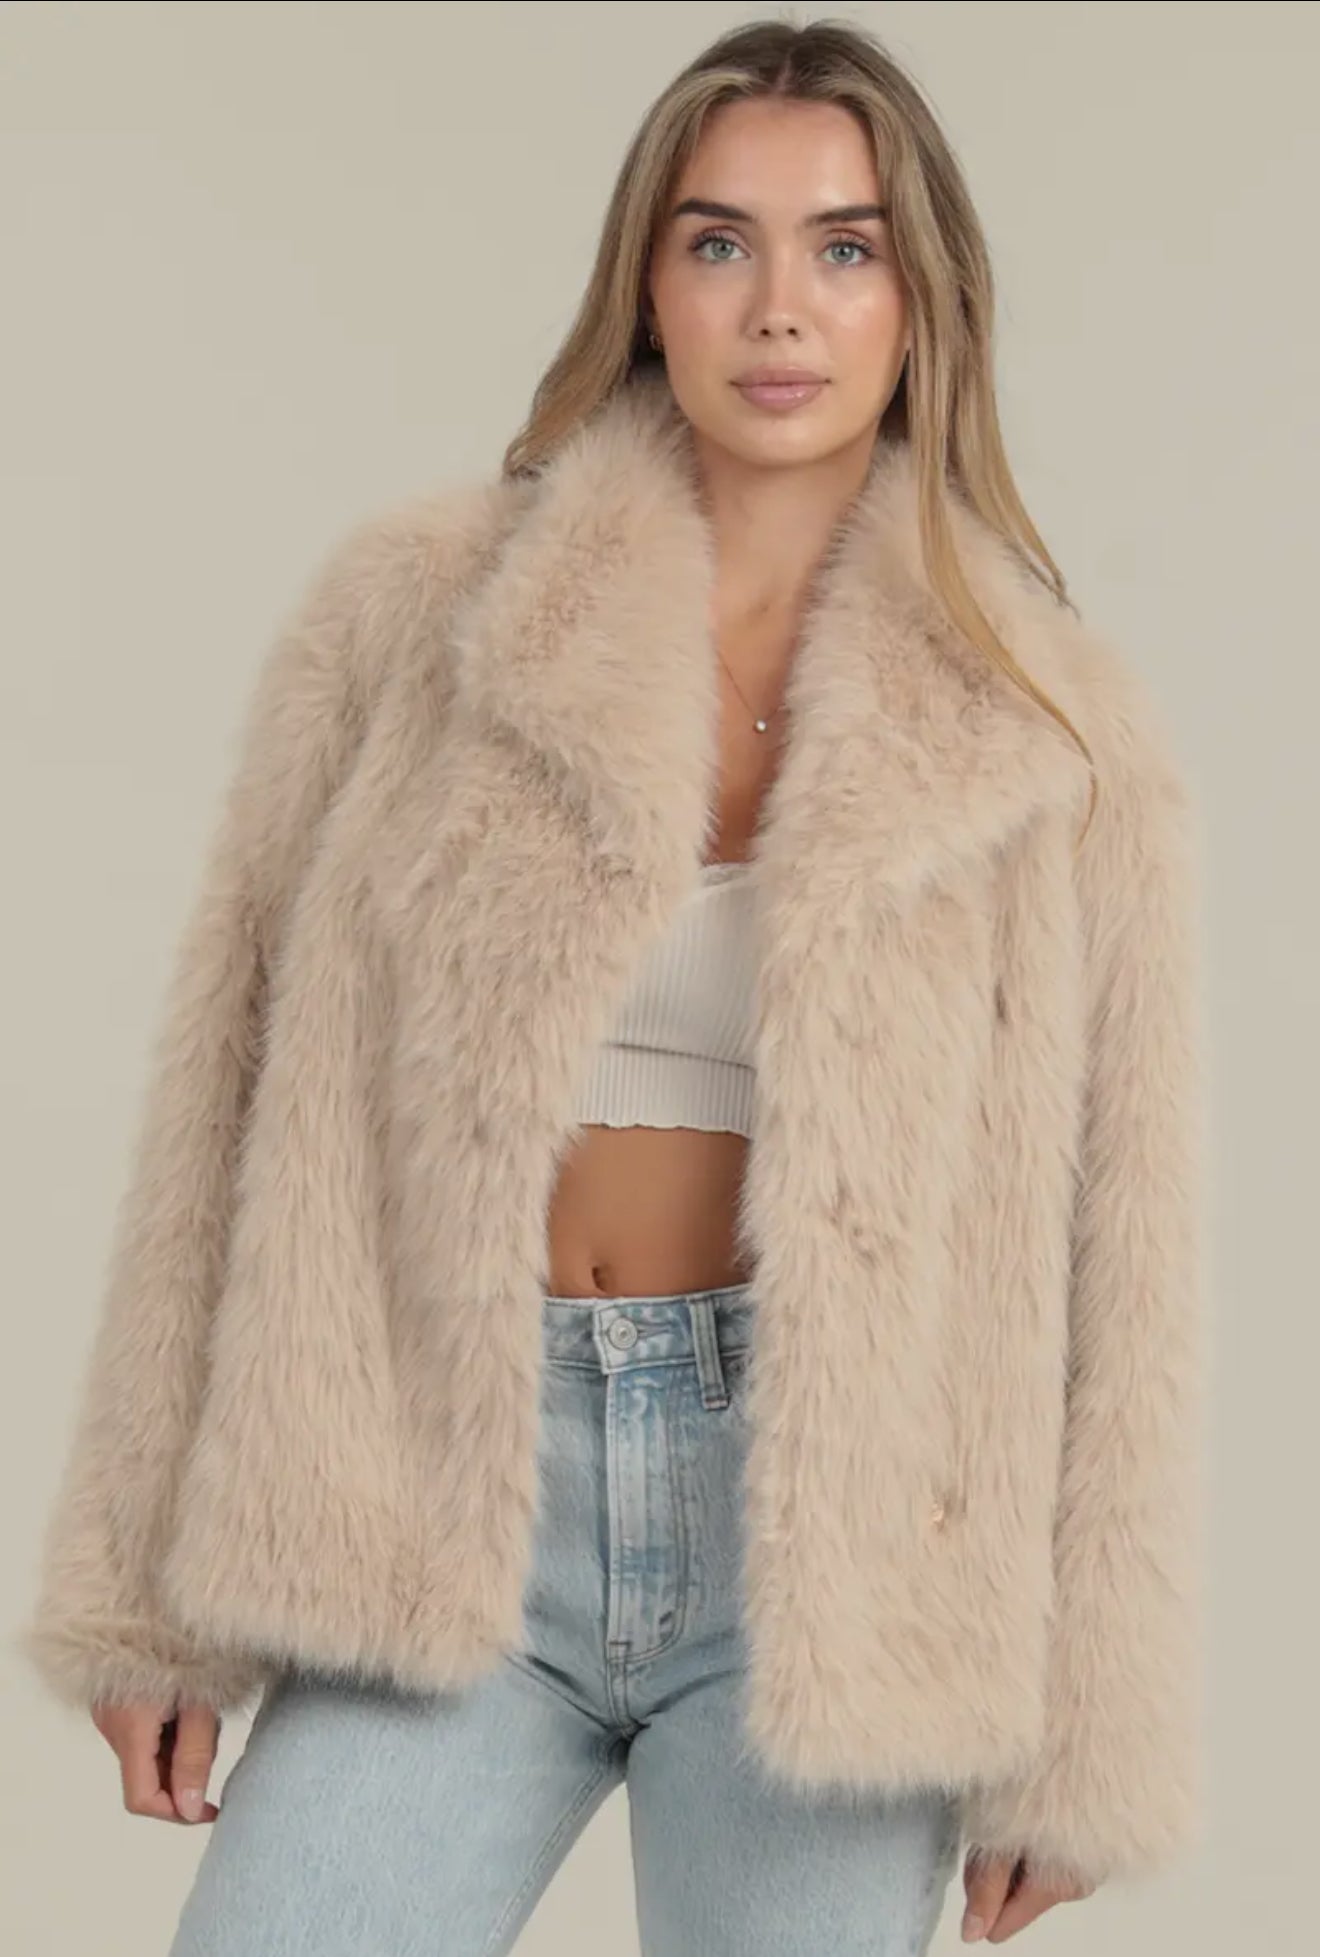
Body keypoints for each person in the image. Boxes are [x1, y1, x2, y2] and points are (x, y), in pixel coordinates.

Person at [19, 16, 1207, 1955]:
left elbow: (1127, 1256)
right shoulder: (419, 617)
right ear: (647, 284)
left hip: (836, 1565)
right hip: (440, 1497)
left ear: (925, 299)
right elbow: (220, 1091)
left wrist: (1087, 1739)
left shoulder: (1052, 729)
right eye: (719, 240)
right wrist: (147, 1591)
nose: (780, 306)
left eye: (844, 247)